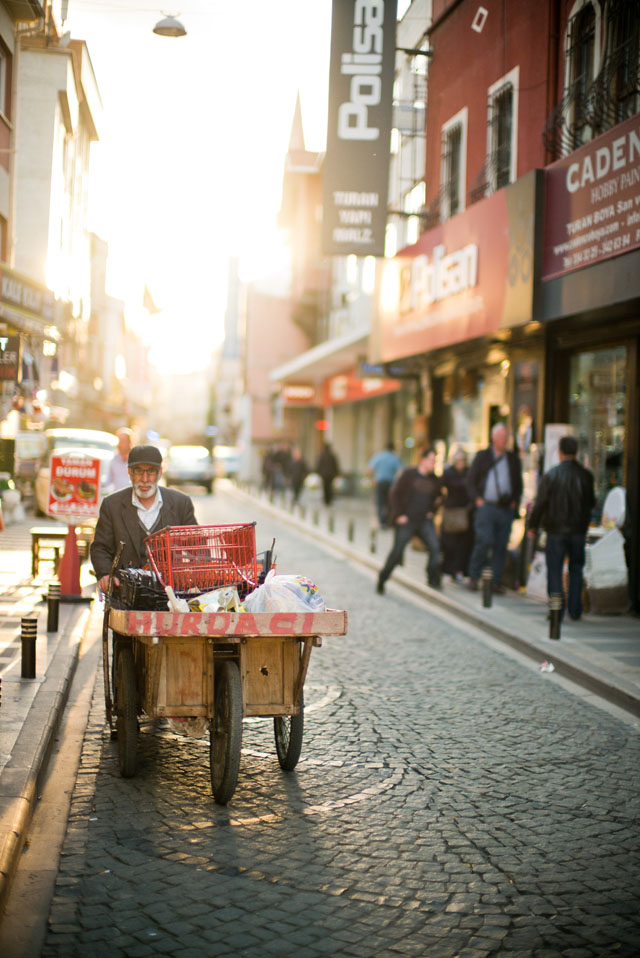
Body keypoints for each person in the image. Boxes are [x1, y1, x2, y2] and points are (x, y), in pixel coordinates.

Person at [91, 444, 197, 594]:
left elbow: (197, 547)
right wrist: (104, 574)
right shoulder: (112, 505)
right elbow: (100, 547)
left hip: (171, 594)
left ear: (160, 472)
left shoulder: (181, 503)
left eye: (151, 472)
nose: (145, 479)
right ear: (129, 472)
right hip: (124, 592)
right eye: (139, 471)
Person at [526, 434, 595, 621]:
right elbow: (591, 503)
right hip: (578, 531)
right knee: (576, 568)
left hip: (556, 530)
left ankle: (556, 607)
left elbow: (540, 503)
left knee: (555, 568)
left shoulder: (552, 474)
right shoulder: (586, 476)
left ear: (560, 452)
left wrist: (533, 525)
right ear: (577, 452)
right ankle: (575, 609)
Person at [376, 447, 442, 594]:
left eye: (435, 461)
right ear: (423, 460)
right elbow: (394, 493)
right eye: (431, 460)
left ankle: (432, 579)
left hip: (424, 521)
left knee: (435, 548)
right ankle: (382, 578)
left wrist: (433, 511)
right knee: (397, 552)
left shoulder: (435, 479)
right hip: (407, 521)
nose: (434, 463)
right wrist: (399, 514)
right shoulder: (409, 474)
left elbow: (438, 498)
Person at [466, 423, 523, 593]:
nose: (503, 440)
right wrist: (477, 499)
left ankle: (495, 582)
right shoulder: (482, 456)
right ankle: (474, 576)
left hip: (505, 509)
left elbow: (518, 483)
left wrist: (514, 501)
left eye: (506, 437)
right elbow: (470, 480)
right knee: (484, 541)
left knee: (501, 545)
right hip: (486, 507)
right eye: (501, 437)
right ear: (493, 438)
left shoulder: (512, 458)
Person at [441, 447, 473, 582]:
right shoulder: (448, 473)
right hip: (451, 511)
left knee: (463, 544)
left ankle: (459, 570)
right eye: (459, 461)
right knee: (450, 543)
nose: (461, 463)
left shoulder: (469, 473)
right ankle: (449, 569)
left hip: (465, 511)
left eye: (463, 461)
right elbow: (440, 488)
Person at [367, 442, 403, 527]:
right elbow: (400, 472)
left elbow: (369, 470)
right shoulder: (395, 458)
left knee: (380, 502)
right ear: (393, 449)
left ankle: (382, 522)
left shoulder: (378, 456)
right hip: (391, 483)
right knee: (389, 502)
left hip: (380, 482)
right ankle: (388, 521)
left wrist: (373, 478)